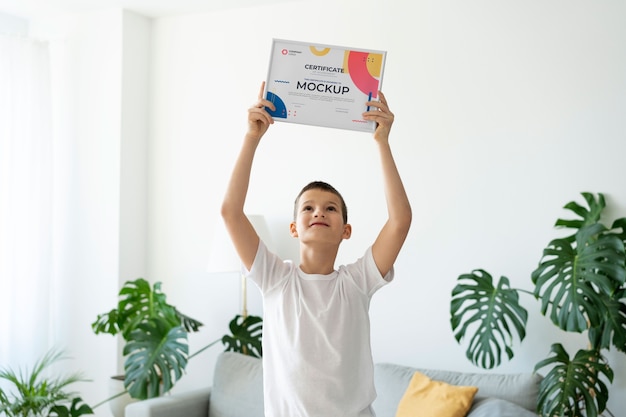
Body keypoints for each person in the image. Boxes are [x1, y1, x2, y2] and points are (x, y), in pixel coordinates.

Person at [221, 82, 412, 417]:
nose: (319, 212)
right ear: (294, 228)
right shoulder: (275, 278)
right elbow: (230, 213)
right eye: (308, 208)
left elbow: (399, 221)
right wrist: (252, 138)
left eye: (330, 209)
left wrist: (382, 142)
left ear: (346, 231)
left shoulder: (357, 282)